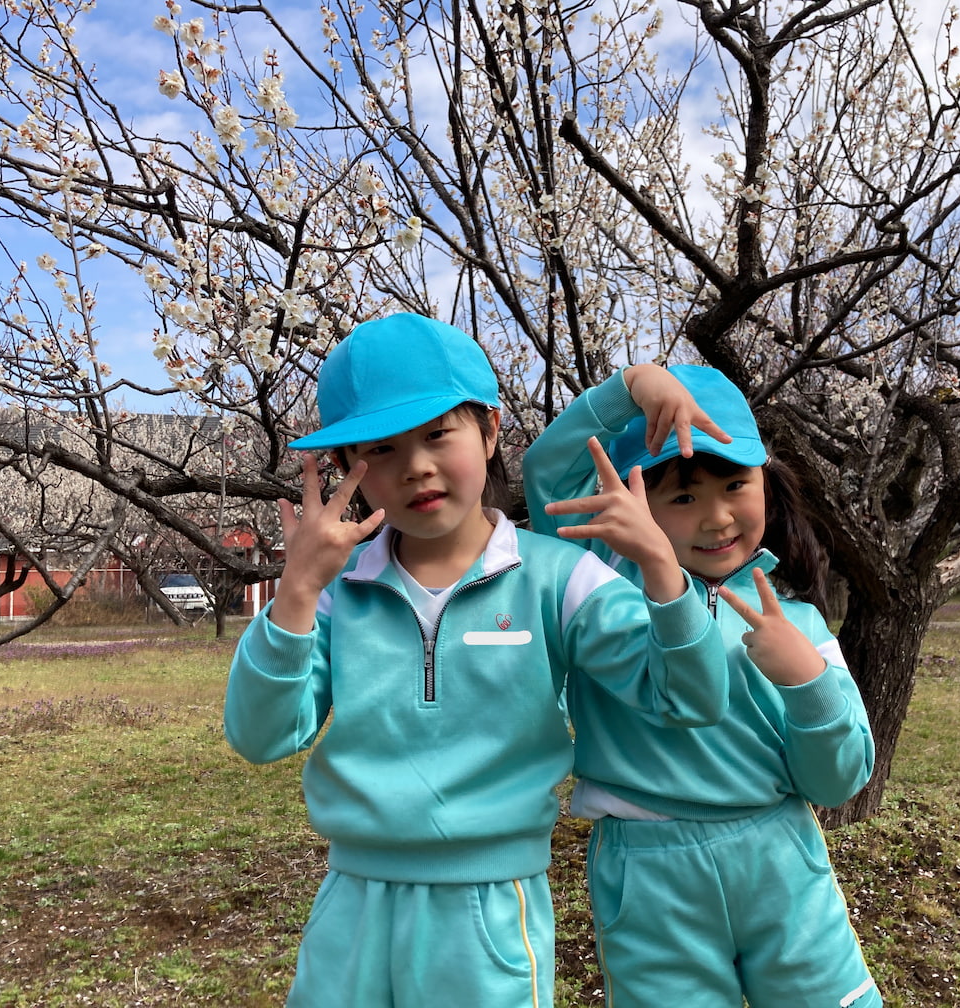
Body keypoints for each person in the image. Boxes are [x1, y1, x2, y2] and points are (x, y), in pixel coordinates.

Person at [223, 314, 728, 1008]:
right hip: (352, 903)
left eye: (438, 434)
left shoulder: (557, 580)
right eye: (382, 449)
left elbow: (691, 698)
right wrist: (297, 592)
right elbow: (261, 736)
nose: (416, 466)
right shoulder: (339, 593)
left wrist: (663, 571)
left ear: (490, 431)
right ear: (346, 469)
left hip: (490, 908)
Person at [523, 362, 881, 1008]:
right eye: (683, 498)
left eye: (736, 485)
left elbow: (836, 781)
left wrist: (806, 681)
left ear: (765, 480)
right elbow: (551, 476)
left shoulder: (798, 622)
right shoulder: (608, 589)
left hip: (779, 855)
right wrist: (631, 387)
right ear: (633, 504)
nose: (717, 519)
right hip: (650, 870)